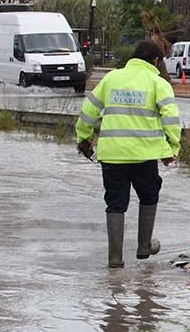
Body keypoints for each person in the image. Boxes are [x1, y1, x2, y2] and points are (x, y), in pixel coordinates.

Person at [76, 40, 181, 269]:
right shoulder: (157, 82)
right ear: (155, 60)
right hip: (144, 155)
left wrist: (83, 138)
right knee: (149, 195)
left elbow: (88, 110)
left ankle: (114, 259)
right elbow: (171, 118)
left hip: (112, 155)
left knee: (115, 203)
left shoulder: (112, 78)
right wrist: (172, 148)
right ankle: (144, 246)